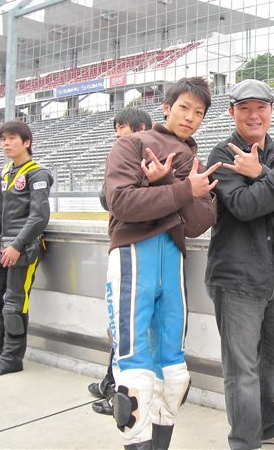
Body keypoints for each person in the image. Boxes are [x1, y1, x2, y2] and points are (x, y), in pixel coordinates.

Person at [105, 77, 220, 450]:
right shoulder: (132, 144)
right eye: (183, 107)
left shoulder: (196, 163)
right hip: (132, 255)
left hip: (172, 261)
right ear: (166, 107)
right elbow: (121, 202)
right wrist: (182, 191)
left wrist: (168, 182)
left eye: (198, 112)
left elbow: (199, 223)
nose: (190, 117)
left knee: (173, 373)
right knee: (134, 372)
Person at [205, 79, 274, 450]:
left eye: (261, 107)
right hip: (238, 277)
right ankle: (245, 441)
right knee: (243, 369)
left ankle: (265, 425)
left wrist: (263, 173)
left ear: (271, 110)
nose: (254, 115)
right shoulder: (223, 153)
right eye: (245, 108)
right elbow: (245, 206)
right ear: (231, 112)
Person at [89, 107, 153, 416]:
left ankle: (120, 391)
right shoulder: (123, 156)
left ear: (140, 129)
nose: (117, 136)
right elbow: (108, 198)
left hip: (139, 252)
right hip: (125, 247)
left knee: (129, 327)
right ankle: (110, 381)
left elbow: (113, 199)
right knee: (119, 324)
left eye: (122, 130)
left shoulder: (150, 158)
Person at [0, 120, 54, 377]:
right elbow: (0, 210)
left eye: (12, 138)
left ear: (27, 142)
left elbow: (39, 217)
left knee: (14, 304)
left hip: (24, 249)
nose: (6, 143)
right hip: (3, 247)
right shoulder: (6, 171)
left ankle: (12, 358)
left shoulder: (38, 174)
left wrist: (16, 245)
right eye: (3, 139)